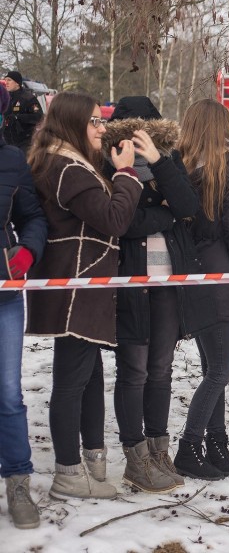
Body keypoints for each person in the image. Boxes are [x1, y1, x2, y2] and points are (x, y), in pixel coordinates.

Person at [27, 92, 143, 500]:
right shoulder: (67, 168)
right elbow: (113, 219)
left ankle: (92, 466)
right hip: (77, 284)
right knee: (73, 381)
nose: (101, 128)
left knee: (90, 377)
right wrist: (127, 174)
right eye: (94, 121)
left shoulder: (68, 163)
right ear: (74, 123)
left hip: (86, 284)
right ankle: (67, 472)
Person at [104, 96, 214, 492]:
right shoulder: (109, 164)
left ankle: (157, 448)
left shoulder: (168, 160)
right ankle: (135, 457)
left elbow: (190, 206)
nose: (140, 140)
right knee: (133, 369)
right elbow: (122, 223)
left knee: (161, 369)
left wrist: (161, 161)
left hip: (168, 279)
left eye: (148, 132)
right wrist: (167, 214)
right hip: (128, 279)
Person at [172, 99, 229, 480]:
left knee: (212, 366)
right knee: (221, 370)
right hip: (219, 272)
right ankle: (190, 446)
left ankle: (216, 441)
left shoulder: (177, 165)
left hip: (187, 270)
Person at [0, 82, 47, 529]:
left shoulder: (12, 158)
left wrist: (26, 252)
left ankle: (17, 480)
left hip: (4, 295)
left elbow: (32, 216)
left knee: (9, 395)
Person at [2, 71, 42, 151]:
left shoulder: (28, 98)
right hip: (7, 142)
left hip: (24, 143)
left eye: (9, 80)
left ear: (17, 83)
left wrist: (18, 117)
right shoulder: (5, 98)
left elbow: (39, 117)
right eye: (5, 80)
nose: (6, 82)